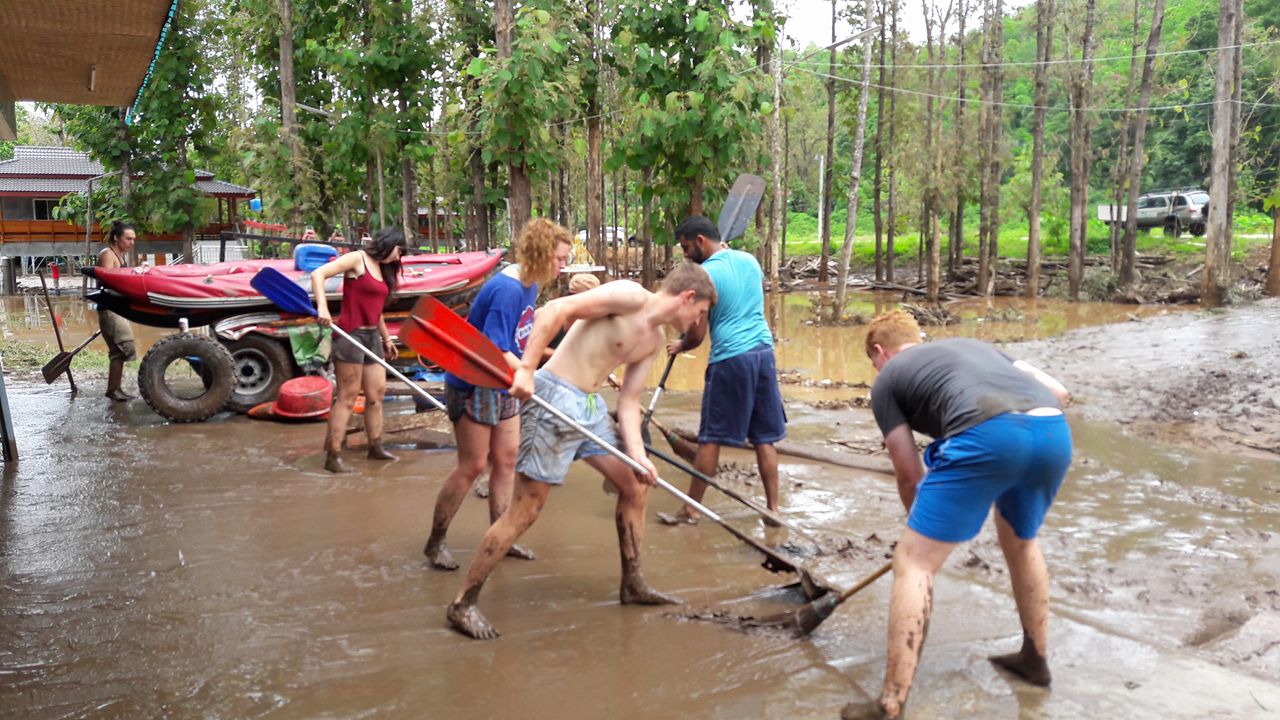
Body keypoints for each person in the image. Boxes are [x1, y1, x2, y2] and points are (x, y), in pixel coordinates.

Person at [445, 262, 718, 640]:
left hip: (588, 407)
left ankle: (633, 583)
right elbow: (554, 311)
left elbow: (628, 402)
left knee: (636, 485)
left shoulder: (654, 341)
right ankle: (462, 603)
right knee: (526, 510)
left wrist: (638, 456)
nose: (695, 324)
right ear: (688, 297)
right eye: (700, 313)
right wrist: (525, 369)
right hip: (555, 394)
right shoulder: (629, 296)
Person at [842, 310, 1073, 720]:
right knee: (1021, 542)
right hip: (1051, 432)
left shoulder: (888, 382)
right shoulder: (976, 347)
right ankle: (1034, 661)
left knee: (914, 563)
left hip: (989, 434)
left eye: (873, 362)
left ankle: (890, 704)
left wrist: (924, 528)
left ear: (880, 353)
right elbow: (1059, 393)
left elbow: (909, 474)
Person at [424, 218, 571, 569]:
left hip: (504, 382)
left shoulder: (530, 284)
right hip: (475, 383)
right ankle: (435, 542)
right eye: (560, 259)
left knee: (506, 462)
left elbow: (523, 338)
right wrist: (527, 375)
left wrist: (553, 359)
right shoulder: (507, 290)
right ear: (540, 253)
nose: (563, 267)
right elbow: (494, 346)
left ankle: (500, 537)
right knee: (472, 465)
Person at [659, 215, 786, 525]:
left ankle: (690, 510)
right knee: (764, 437)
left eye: (687, 247)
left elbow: (698, 335)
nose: (686, 254)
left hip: (731, 358)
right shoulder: (750, 260)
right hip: (763, 353)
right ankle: (773, 509)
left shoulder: (703, 277)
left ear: (701, 241)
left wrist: (681, 346)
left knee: (710, 438)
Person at [311, 227, 407, 473]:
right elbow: (318, 274)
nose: (398, 258)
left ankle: (375, 448)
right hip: (350, 334)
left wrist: (387, 339)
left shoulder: (383, 268)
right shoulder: (357, 259)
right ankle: (333, 456)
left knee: (377, 395)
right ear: (388, 244)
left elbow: (375, 308)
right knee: (348, 396)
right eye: (398, 251)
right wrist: (322, 308)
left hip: (372, 336)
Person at [96, 221, 139, 402]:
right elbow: (108, 281)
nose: (132, 242)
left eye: (133, 239)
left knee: (118, 351)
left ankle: (114, 389)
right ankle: (113, 389)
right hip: (109, 309)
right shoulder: (107, 255)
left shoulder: (120, 257)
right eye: (128, 239)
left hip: (118, 308)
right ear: (116, 238)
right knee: (123, 346)